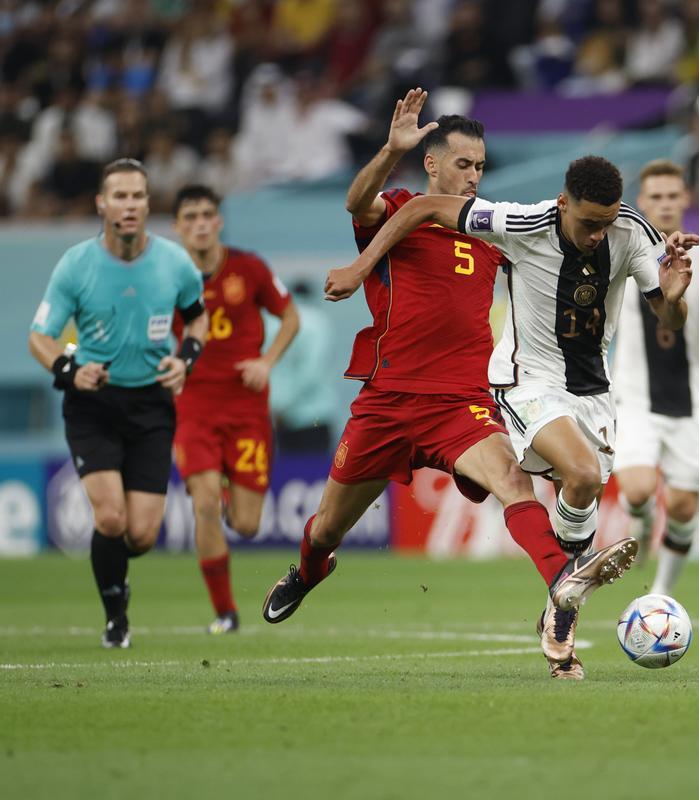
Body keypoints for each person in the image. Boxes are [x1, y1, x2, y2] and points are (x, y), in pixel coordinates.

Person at [262, 90, 640, 681]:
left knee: (514, 482)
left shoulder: (493, 230)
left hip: (460, 401)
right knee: (328, 528)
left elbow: (557, 254)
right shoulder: (399, 210)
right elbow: (356, 202)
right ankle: (309, 570)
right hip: (386, 400)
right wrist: (391, 150)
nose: (473, 176)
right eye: (463, 164)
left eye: (481, 166)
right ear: (432, 162)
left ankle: (563, 591)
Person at [323, 149, 697, 678]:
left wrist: (676, 298)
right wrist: (362, 266)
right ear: (564, 204)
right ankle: (564, 588)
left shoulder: (632, 232)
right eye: (589, 223)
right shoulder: (522, 222)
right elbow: (425, 207)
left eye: (606, 223)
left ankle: (559, 603)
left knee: (584, 489)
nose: (598, 235)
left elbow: (669, 316)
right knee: (582, 471)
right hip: (527, 381)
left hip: (592, 391)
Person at [28, 158, 208, 649]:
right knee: (110, 518)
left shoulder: (175, 264)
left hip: (151, 405)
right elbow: (40, 337)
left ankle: (118, 576)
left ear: (148, 204)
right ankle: (115, 616)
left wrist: (185, 359)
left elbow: (197, 320)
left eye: (137, 196)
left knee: (142, 536)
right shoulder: (76, 264)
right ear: (101, 204)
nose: (129, 205)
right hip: (92, 402)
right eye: (120, 196)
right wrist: (70, 370)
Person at [611, 159, 699, 596]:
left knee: (685, 504)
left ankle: (660, 595)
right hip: (634, 395)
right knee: (637, 488)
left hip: (689, 399)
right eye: (656, 196)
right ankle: (640, 516)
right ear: (642, 201)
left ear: (686, 199)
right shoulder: (622, 249)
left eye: (673, 195)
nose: (666, 204)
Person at [172, 183, 300, 634]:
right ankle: (225, 613)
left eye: (207, 214)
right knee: (203, 504)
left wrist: (266, 362)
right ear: (178, 227)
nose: (200, 224)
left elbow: (290, 317)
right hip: (193, 409)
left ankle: (226, 494)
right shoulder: (166, 275)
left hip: (247, 410)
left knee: (246, 525)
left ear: (219, 221)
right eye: (190, 217)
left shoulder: (248, 268)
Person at [265, 280, 338, 455]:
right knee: (316, 474)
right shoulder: (319, 321)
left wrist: (276, 406)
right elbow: (313, 371)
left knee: (282, 473)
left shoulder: (274, 322)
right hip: (314, 416)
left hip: (278, 418)